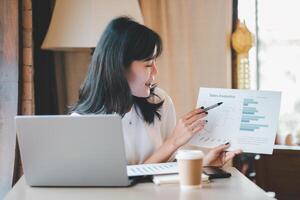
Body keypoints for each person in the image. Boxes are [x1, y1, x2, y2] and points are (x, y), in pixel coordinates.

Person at [71, 16, 241, 165]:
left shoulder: (160, 101)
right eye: (148, 65)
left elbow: (168, 169)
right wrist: (173, 142)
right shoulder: (82, 122)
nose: (155, 71)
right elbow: (119, 183)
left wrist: (204, 164)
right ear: (119, 67)